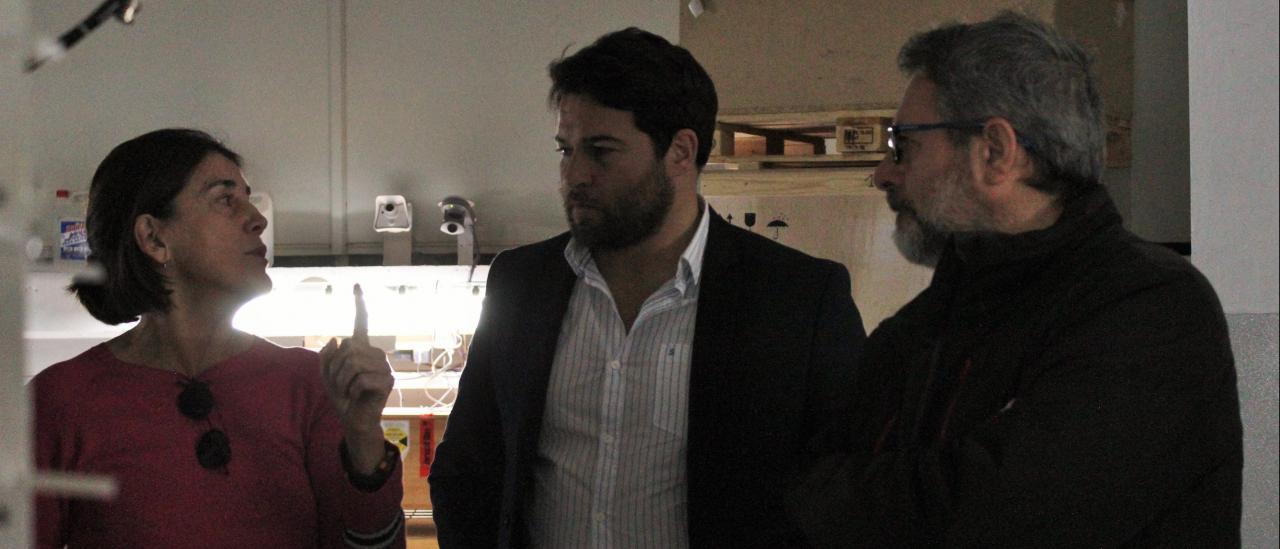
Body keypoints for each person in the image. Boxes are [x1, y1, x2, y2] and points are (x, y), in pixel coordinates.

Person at [786, 12, 1243, 547]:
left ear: (996, 152)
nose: (884, 173)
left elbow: (999, 519)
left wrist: (844, 498)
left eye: (903, 144)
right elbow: (815, 482)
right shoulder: (915, 330)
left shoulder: (1152, 307)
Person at [429, 28, 865, 548]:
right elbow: (468, 468)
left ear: (681, 151)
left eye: (601, 151)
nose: (575, 175)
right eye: (565, 150)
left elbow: (846, 496)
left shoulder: (797, 298)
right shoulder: (522, 284)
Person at [31, 128, 406, 548]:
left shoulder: (310, 385)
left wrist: (364, 437)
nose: (257, 218)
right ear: (154, 238)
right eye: (225, 199)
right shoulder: (58, 402)